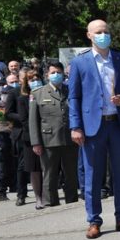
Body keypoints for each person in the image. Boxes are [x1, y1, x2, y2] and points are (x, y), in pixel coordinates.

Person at [68, 20, 120, 239]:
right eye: (99, 32)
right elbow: (74, 97)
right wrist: (75, 126)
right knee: (92, 175)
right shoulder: (80, 62)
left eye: (106, 31)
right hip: (92, 127)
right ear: (89, 35)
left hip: (118, 123)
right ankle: (94, 220)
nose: (103, 35)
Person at [30, 62, 78, 208]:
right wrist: (36, 142)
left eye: (58, 72)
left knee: (71, 173)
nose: (56, 75)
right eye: (52, 72)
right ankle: (50, 202)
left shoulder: (71, 90)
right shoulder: (38, 93)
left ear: (63, 74)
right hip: (48, 140)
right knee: (50, 174)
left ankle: (72, 201)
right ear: (47, 75)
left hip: (70, 138)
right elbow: (33, 121)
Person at [5, 69, 44, 206]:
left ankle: (44, 193)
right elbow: (8, 113)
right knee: (24, 165)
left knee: (39, 165)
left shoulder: (41, 92)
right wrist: (24, 117)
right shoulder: (15, 93)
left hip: (40, 132)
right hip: (23, 132)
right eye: (24, 78)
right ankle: (21, 194)